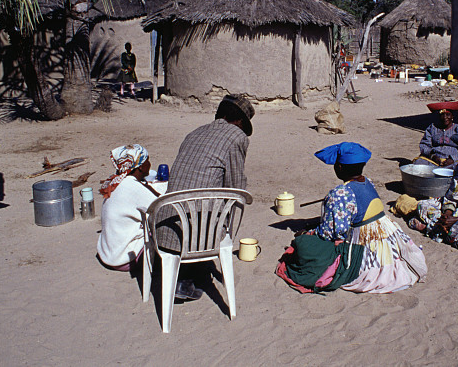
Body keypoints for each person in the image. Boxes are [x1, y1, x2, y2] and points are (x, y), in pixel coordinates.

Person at [278, 142, 427, 294]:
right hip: (388, 236)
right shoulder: (368, 182)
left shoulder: (340, 193)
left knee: (304, 245)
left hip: (366, 243)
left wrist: (307, 234)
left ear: (340, 167)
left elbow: (333, 233)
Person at [157, 94, 255, 297]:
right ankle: (185, 279)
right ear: (238, 121)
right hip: (194, 232)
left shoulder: (194, 132)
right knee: (218, 211)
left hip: (163, 224)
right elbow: (235, 186)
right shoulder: (237, 137)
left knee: (200, 200)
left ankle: (188, 271)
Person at [96, 144, 201, 300]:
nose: (150, 164)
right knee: (168, 227)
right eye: (147, 161)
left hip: (106, 253)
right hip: (123, 259)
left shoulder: (118, 181)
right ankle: (183, 280)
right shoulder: (132, 188)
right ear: (140, 167)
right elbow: (161, 207)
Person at [417, 101, 458, 167]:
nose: (445, 117)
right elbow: (424, 145)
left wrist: (453, 159)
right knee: (418, 164)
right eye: (442, 115)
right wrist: (433, 156)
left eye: (448, 114)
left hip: (455, 160)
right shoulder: (432, 128)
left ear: (452, 116)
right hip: (434, 159)